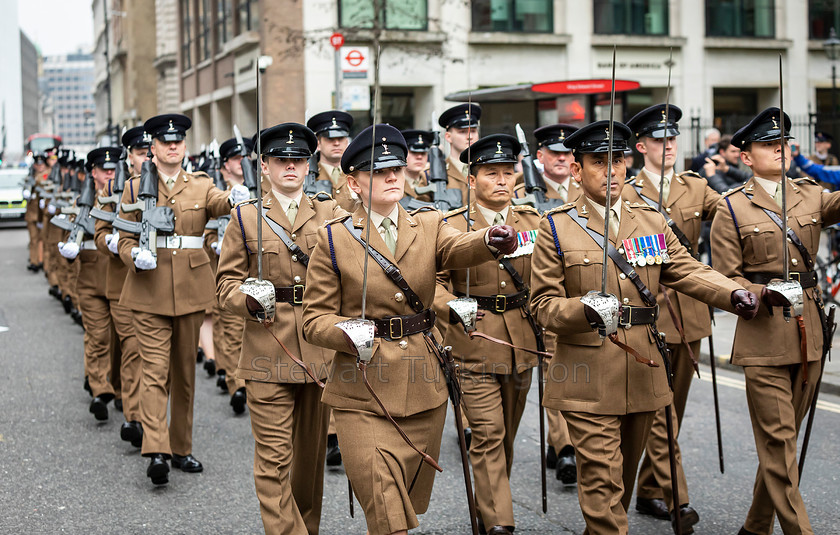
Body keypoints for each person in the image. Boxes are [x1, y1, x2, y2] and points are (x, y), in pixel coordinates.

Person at [529, 119, 758, 535]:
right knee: (601, 482)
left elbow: (687, 270)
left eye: (618, 160)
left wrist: (732, 294)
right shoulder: (556, 227)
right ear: (577, 170)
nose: (612, 170)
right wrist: (586, 309)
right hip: (588, 375)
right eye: (599, 162)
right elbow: (543, 306)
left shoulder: (650, 220)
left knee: (620, 482)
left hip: (644, 368)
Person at [301, 125, 518, 535]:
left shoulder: (429, 223)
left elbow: (457, 248)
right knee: (386, 511)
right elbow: (314, 320)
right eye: (377, 171)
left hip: (424, 385)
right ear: (353, 182)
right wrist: (349, 333)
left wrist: (489, 237)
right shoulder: (332, 240)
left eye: (396, 169)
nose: (391, 177)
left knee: (406, 498)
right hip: (362, 389)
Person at [710, 107, 840, 535]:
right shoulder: (731, 207)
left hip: (810, 334)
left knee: (779, 445)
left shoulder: (811, 193)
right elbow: (726, 277)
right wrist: (761, 293)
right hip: (764, 335)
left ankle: (754, 526)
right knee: (781, 443)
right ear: (747, 156)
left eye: (784, 143)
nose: (780, 150)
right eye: (769, 145)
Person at [217, 122, 340, 534]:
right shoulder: (246, 216)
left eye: (298, 160)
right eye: (280, 160)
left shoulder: (331, 212)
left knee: (309, 462)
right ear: (264, 166)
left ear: (309, 165)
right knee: (273, 461)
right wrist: (247, 300)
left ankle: (308, 527)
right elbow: (224, 286)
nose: (290, 167)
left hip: (318, 348)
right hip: (267, 347)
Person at [116, 113, 250, 485]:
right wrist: (132, 257)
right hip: (148, 289)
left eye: (178, 141)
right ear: (153, 148)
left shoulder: (201, 184)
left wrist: (237, 197)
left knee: (185, 376)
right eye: (165, 142)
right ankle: (157, 449)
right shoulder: (133, 188)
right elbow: (124, 239)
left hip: (191, 290)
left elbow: (220, 203)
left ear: (184, 147)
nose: (173, 146)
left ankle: (181, 447)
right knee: (154, 372)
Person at [433, 134, 541, 535]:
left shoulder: (534, 222)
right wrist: (451, 306)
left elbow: (548, 280)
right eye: (491, 173)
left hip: (521, 342)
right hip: (470, 341)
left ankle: (490, 503)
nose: (501, 180)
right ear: (471, 178)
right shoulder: (449, 226)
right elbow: (431, 283)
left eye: (507, 172)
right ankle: (499, 524)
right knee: (489, 431)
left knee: (507, 434)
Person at [624, 104, 723, 529]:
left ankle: (647, 489)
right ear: (641, 146)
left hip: (690, 312)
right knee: (660, 409)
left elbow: (736, 216)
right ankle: (677, 496)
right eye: (659, 141)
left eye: (673, 139)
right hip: (647, 311)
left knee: (673, 409)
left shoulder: (695, 187)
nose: (668, 146)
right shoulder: (626, 191)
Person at [92, 129, 148, 446]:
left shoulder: (169, 188)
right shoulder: (113, 190)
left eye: (149, 152)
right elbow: (99, 233)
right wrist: (112, 242)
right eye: (140, 153)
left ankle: (139, 407)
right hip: (122, 283)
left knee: (147, 355)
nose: (147, 159)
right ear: (129, 157)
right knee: (133, 347)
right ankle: (135, 417)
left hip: (158, 286)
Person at [59, 147, 122, 421]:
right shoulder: (81, 205)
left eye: (113, 169)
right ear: (93, 173)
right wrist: (69, 253)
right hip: (91, 282)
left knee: (121, 341)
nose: (109, 173)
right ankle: (100, 389)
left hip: (120, 281)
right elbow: (67, 239)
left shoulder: (127, 200)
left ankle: (120, 389)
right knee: (98, 337)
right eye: (104, 170)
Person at [513, 124, 582, 204]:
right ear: (540, 156)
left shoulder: (586, 189)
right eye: (555, 153)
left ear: (573, 157)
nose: (562, 158)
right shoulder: (521, 194)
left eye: (567, 153)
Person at [306, 110, 357, 212]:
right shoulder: (306, 173)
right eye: (330, 139)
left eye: (341, 138)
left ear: (347, 142)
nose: (337, 143)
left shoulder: (358, 173)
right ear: (318, 144)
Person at [439, 103, 481, 205]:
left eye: (473, 131)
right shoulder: (433, 173)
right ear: (448, 137)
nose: (469, 136)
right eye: (462, 132)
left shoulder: (487, 170)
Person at [400, 128, 432, 201]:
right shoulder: (395, 180)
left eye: (423, 153)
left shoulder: (432, 179)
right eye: (414, 152)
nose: (419, 157)